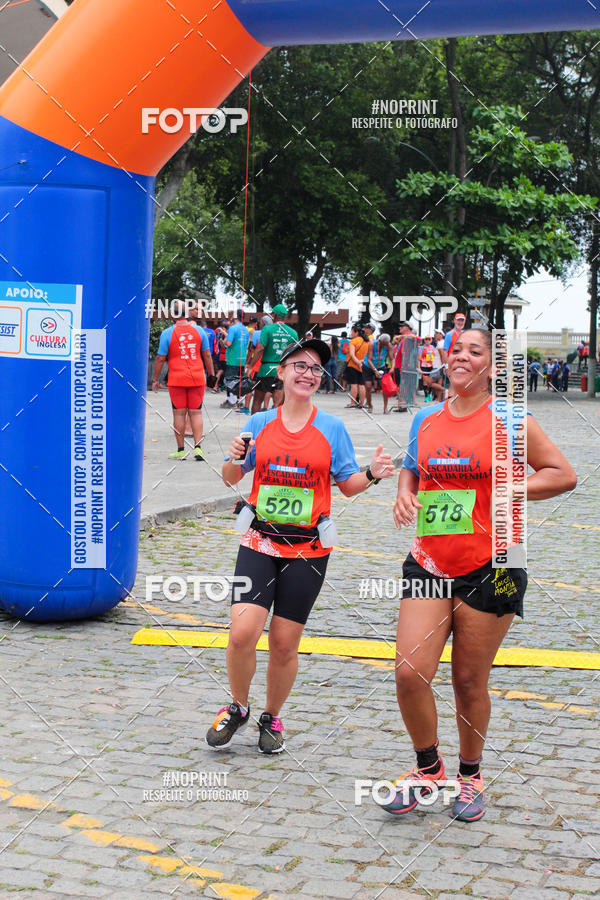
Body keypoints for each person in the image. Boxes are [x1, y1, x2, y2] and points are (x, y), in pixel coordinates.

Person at [381, 327, 576, 822]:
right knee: (409, 673)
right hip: (429, 558)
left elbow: (562, 473)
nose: (462, 356)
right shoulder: (425, 419)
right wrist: (405, 490)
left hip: (498, 562)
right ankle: (429, 770)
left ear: (491, 366)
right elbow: (412, 467)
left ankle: (470, 775)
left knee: (469, 680)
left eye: (475, 351)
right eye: (456, 349)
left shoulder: (511, 420)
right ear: (446, 360)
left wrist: (515, 489)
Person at [206, 338, 395, 753]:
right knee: (241, 634)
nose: (307, 373)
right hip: (259, 541)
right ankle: (238, 706)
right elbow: (229, 478)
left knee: (284, 642)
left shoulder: (332, 428)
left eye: (314, 368)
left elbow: (347, 486)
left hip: (308, 552)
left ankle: (271, 716)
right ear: (282, 371)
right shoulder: (257, 424)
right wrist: (235, 457)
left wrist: (374, 473)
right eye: (299, 365)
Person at [152, 300, 215, 460]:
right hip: (197, 377)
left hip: (176, 379)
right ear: (186, 314)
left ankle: (180, 450)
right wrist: (212, 375)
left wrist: (155, 379)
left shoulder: (167, 333)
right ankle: (198, 448)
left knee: (179, 414)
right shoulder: (199, 331)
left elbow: (160, 358)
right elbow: (207, 355)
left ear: (173, 315)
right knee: (196, 412)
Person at [249, 304, 299, 414]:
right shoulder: (292, 332)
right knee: (278, 404)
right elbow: (297, 352)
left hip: (266, 369)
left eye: (272, 314)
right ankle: (275, 429)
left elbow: (260, 348)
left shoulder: (267, 329)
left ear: (274, 315)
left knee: (257, 400)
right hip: (282, 370)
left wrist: (250, 366)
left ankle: (254, 428)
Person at [221, 309, 250, 409]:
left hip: (233, 358)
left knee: (230, 380)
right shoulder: (245, 330)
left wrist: (223, 342)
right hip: (242, 359)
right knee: (240, 381)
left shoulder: (233, 328)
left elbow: (228, 343)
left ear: (236, 316)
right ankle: (239, 401)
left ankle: (230, 401)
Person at [344, 324, 369, 409]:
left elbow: (352, 354)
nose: (351, 333)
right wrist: (362, 362)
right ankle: (361, 403)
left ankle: (353, 403)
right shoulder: (367, 341)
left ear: (356, 332)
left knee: (354, 385)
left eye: (352, 331)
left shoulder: (353, 341)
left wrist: (358, 362)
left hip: (353, 365)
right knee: (361, 385)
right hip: (363, 366)